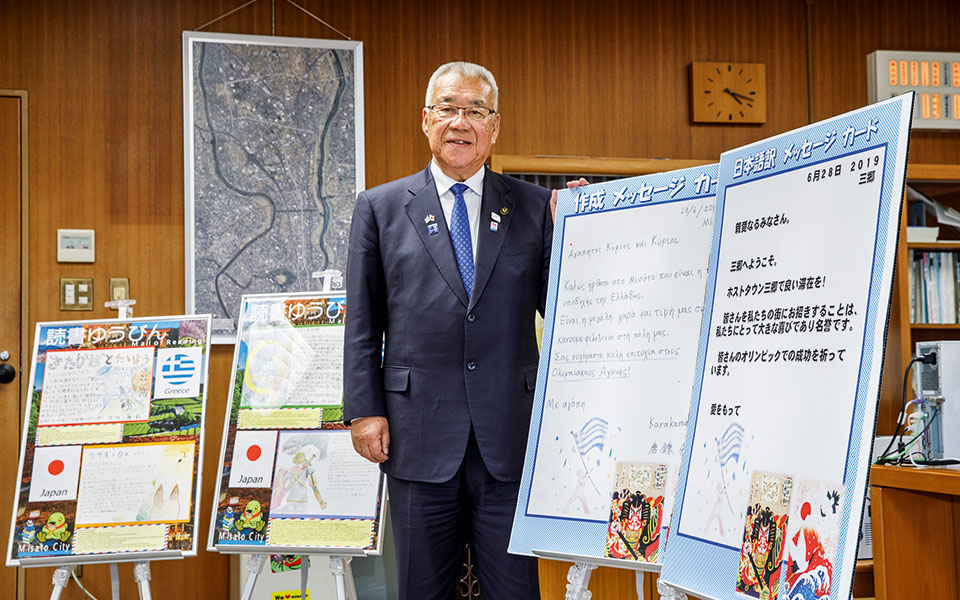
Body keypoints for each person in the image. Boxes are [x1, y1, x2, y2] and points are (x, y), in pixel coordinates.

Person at [344, 61, 577, 599]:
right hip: (416, 431)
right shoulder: (380, 207)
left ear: (494, 126)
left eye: (475, 111)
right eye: (448, 108)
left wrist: (581, 230)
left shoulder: (535, 206)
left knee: (514, 591)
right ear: (426, 120)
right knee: (422, 590)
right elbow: (362, 322)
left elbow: (562, 307)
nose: (460, 122)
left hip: (509, 435)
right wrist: (364, 410)